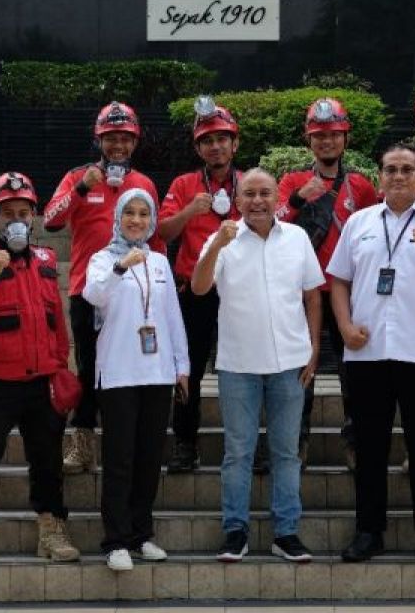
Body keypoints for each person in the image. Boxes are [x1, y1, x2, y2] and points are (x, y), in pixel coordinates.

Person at [327, 145, 415, 565]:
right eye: (391, 169)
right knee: (370, 449)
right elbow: (337, 280)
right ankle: (369, 532)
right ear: (380, 176)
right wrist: (345, 326)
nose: (399, 176)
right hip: (367, 352)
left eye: (408, 169)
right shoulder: (359, 223)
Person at [192, 168, 324, 563]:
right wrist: (216, 244)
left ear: (275, 196)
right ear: (238, 199)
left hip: (290, 362)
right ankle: (235, 530)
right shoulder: (224, 238)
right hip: (239, 365)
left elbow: (312, 297)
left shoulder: (296, 238)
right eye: (249, 193)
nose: (257, 201)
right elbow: (199, 288)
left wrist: (315, 348)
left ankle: (287, 532)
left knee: (286, 452)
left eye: (265, 193)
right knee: (238, 452)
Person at [0, 171, 79, 569]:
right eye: (7, 213)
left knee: (47, 460)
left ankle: (52, 529)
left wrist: (61, 365)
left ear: (34, 216)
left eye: (23, 212)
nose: (16, 220)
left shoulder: (44, 259)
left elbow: (55, 316)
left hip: (42, 381)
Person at [44, 101, 160, 473]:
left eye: (125, 138)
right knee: (89, 365)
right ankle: (82, 440)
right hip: (88, 288)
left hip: (134, 292)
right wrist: (80, 187)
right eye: (111, 138)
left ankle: (122, 438)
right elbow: (50, 220)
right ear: (99, 139)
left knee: (125, 364)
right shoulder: (78, 177)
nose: (118, 146)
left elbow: (154, 240)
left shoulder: (143, 184)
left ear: (135, 142)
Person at [84, 188, 190, 571]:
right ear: (118, 217)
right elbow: (93, 295)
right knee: (119, 459)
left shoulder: (161, 262)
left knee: (149, 458)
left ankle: (140, 535)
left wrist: (182, 367)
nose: (137, 220)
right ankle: (115, 540)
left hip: (157, 372)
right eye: (129, 212)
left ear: (153, 220)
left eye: (144, 214)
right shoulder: (102, 259)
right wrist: (120, 267)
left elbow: (172, 317)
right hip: (118, 373)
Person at [276, 97, 378, 470]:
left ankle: (354, 441)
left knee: (353, 371)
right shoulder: (292, 181)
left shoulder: (362, 187)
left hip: (346, 291)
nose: (326, 142)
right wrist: (297, 200)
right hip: (301, 292)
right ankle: (296, 442)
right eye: (319, 136)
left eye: (334, 135)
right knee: (301, 369)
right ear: (309, 140)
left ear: (345, 138)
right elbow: (275, 221)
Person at [157, 97, 242, 473]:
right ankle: (186, 443)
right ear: (198, 148)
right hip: (193, 290)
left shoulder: (250, 183)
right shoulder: (183, 184)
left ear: (235, 144)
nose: (216, 146)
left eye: (222, 139)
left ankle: (245, 444)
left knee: (243, 367)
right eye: (208, 140)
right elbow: (161, 231)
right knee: (187, 366)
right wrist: (191, 209)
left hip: (240, 291)